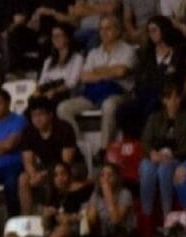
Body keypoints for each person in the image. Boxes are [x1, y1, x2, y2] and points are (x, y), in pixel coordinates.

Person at [57, 15, 136, 149]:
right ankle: (81, 147)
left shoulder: (128, 50)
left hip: (121, 93)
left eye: (108, 29)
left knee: (109, 105)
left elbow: (121, 72)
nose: (103, 32)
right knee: (63, 108)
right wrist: (109, 72)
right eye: (101, 29)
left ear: (117, 31)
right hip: (94, 94)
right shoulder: (94, 53)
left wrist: (97, 71)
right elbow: (84, 77)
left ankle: (105, 150)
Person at [140, 82, 186, 215]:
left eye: (177, 97)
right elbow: (145, 141)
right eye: (169, 97)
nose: (174, 101)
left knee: (164, 170)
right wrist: (152, 153)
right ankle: (146, 214)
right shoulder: (154, 117)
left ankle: (167, 214)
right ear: (164, 100)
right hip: (155, 155)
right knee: (147, 169)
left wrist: (172, 155)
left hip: (176, 157)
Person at [19, 97, 79, 214]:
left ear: (50, 115)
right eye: (34, 115)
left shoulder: (64, 128)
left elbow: (66, 162)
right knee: (23, 178)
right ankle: (27, 216)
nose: (37, 119)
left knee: (58, 176)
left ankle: (56, 214)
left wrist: (47, 174)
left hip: (71, 166)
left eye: (41, 114)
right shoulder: (28, 131)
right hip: (45, 166)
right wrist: (34, 175)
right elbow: (28, 161)